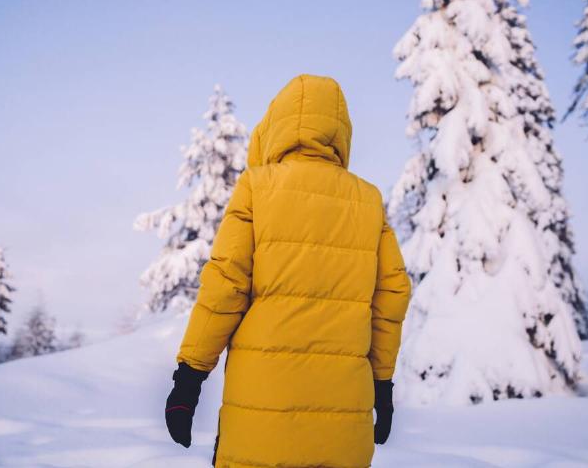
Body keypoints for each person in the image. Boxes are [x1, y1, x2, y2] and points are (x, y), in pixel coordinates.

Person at [164, 74, 412, 467]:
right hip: (343, 413)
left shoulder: (256, 187)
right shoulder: (368, 201)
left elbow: (225, 285)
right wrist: (381, 385)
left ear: (274, 127)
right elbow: (393, 293)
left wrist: (190, 377)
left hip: (261, 408)